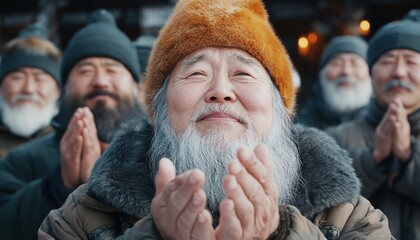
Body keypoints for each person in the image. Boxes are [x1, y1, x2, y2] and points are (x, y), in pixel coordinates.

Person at [39, 1, 392, 239]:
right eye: (196, 74)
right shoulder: (86, 213)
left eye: (243, 73)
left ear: (279, 107)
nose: (220, 91)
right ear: (161, 108)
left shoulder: (345, 214)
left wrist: (283, 232)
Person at [0, 9, 146, 240]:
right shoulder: (22, 161)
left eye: (112, 69)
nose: (100, 81)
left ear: (136, 86)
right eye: (85, 70)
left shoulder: (161, 152)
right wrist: (56, 187)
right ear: (65, 87)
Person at [327, 17, 420, 240]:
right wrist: (373, 159)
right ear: (371, 72)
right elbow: (322, 211)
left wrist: (409, 156)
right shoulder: (336, 137)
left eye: (411, 62)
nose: (398, 72)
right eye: (387, 61)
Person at [0, 22, 61, 158]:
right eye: (17, 78)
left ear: (58, 90)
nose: (29, 89)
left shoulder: (70, 141)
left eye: (39, 79)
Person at [297, 36, 372, 130]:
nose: (346, 71)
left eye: (355, 64)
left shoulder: (385, 124)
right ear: (321, 74)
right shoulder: (300, 127)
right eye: (337, 64)